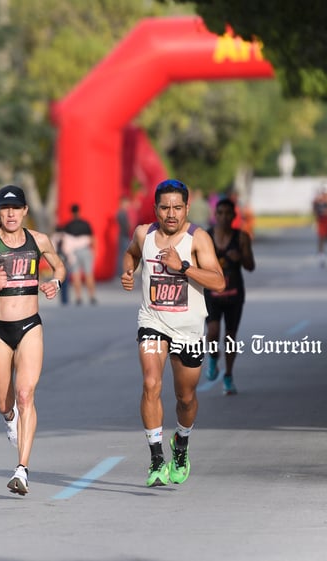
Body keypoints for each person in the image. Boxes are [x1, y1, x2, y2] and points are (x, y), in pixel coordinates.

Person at [0, 185, 66, 495]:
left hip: (30, 325)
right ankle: (9, 418)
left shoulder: (39, 241)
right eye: (5, 209)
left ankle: (22, 469)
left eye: (16, 208)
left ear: (25, 211)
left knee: (25, 394)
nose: (11, 214)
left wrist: (54, 282)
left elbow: (59, 267)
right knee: (5, 403)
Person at [120, 178, 225, 487]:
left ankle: (181, 443)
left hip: (189, 329)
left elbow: (218, 282)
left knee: (186, 398)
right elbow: (131, 254)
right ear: (155, 209)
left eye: (177, 208)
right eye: (164, 208)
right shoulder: (144, 233)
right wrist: (128, 271)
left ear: (187, 208)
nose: (171, 214)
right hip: (153, 321)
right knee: (151, 383)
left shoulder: (198, 239)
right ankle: (156, 458)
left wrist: (183, 267)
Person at [203, 198, 256, 394]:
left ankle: (228, 376)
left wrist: (241, 257)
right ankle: (213, 358)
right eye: (220, 213)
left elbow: (251, 267)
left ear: (234, 216)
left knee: (231, 337)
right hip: (212, 294)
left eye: (228, 213)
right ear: (215, 215)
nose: (224, 217)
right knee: (213, 332)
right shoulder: (206, 237)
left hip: (234, 294)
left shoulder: (241, 237)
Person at [63, 204, 97, 305]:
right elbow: (92, 238)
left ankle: (78, 297)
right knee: (89, 274)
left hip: (73, 252)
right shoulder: (85, 224)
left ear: (71, 212)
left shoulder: (68, 225)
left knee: (76, 275)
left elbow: (65, 240)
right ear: (79, 211)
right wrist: (94, 250)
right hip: (85, 250)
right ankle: (92, 296)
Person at [312, 186, 327, 267]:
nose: (324, 195)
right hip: (321, 220)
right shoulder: (318, 199)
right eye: (323, 193)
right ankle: (321, 255)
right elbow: (314, 209)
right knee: (321, 237)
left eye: (325, 193)